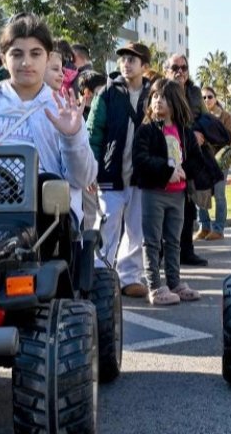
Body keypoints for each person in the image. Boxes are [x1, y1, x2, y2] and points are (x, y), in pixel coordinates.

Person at [0, 14, 97, 225]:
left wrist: (72, 137)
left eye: (36, 54)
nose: (26, 62)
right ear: (3, 57)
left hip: (45, 217)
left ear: (47, 57)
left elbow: (81, 178)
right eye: (17, 54)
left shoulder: (64, 108)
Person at [131, 78, 204, 306]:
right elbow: (141, 159)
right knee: (152, 241)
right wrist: (166, 171)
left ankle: (175, 282)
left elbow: (196, 160)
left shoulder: (184, 132)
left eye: (163, 97)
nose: (157, 101)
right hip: (154, 192)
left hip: (178, 194)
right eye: (154, 97)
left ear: (174, 102)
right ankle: (154, 286)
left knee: (174, 240)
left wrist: (185, 172)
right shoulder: (146, 130)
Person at [87, 42, 152, 297]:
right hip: (110, 172)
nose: (125, 63)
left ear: (144, 66)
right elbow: (93, 133)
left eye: (132, 60)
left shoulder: (153, 94)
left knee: (137, 229)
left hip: (140, 176)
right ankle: (100, 275)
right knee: (107, 224)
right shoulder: (106, 93)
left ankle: (129, 277)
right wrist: (91, 167)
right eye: (123, 59)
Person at [166, 53, 225, 267]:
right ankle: (166, 253)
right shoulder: (162, 90)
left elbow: (201, 117)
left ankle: (187, 251)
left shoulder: (194, 91)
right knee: (167, 206)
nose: (180, 72)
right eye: (175, 67)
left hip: (190, 156)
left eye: (184, 67)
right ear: (167, 70)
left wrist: (200, 134)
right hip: (167, 153)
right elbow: (162, 119)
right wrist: (191, 134)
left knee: (189, 205)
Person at [195, 86, 231, 241]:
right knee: (200, 194)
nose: (207, 100)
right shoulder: (197, 116)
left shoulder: (224, 116)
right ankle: (204, 227)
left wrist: (215, 136)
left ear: (215, 98)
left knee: (219, 195)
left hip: (219, 161)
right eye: (203, 97)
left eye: (210, 97)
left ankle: (218, 229)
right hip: (201, 160)